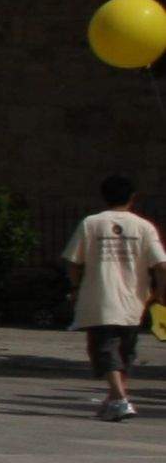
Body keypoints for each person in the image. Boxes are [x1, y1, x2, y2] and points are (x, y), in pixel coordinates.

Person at [63, 176, 162, 423]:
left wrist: (75, 287)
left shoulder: (91, 224)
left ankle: (118, 399)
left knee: (105, 349)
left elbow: (73, 261)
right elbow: (160, 264)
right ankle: (115, 398)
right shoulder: (143, 227)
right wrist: (159, 292)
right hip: (134, 299)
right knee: (125, 352)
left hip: (99, 298)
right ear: (132, 197)